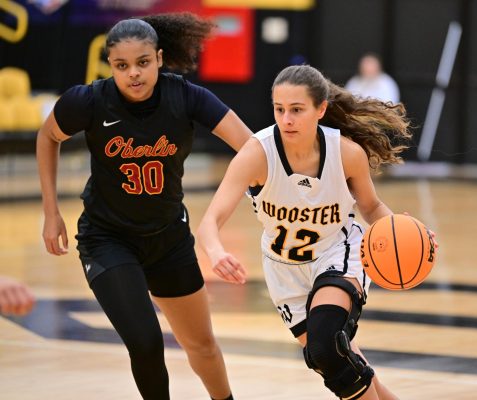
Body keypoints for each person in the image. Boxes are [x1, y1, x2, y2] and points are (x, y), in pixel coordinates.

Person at [36, 13, 253, 400]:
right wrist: (51, 211)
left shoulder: (186, 96)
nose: (133, 74)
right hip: (108, 239)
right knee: (147, 342)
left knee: (202, 345)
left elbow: (250, 147)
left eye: (142, 63)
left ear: (159, 58)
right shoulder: (88, 101)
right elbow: (47, 136)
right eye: (122, 66)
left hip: (168, 237)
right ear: (111, 66)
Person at [197, 64, 414, 400]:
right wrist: (215, 252)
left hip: (336, 253)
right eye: (279, 109)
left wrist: (401, 230)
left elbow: (371, 207)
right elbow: (209, 221)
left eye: (297, 110)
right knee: (333, 359)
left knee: (327, 346)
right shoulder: (256, 154)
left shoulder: (346, 154)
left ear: (321, 109)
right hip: (283, 271)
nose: (286, 120)